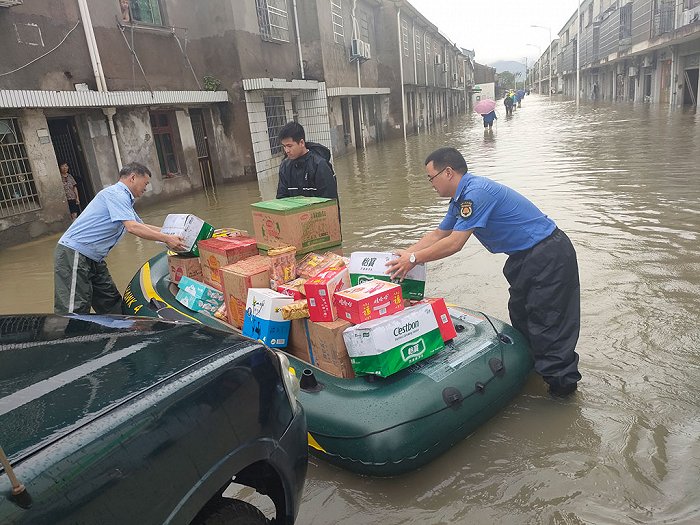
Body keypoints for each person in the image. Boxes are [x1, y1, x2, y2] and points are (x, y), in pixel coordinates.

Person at [386, 148, 581, 397]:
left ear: (448, 173)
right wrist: (401, 258)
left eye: (431, 178)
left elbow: (455, 243)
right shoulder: (460, 200)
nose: (431, 184)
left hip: (548, 254)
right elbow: (438, 235)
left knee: (548, 323)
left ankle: (562, 393)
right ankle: (534, 374)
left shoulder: (476, 193)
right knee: (522, 316)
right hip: (524, 258)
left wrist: (413, 259)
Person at [54, 162, 187, 315]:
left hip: (94, 258)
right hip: (75, 254)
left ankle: (121, 334)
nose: (146, 188)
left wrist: (172, 234)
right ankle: (73, 336)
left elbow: (142, 226)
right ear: (133, 177)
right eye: (145, 183)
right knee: (73, 309)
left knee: (110, 303)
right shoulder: (116, 194)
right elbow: (132, 227)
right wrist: (166, 239)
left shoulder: (124, 199)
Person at [276, 121, 338, 200]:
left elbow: (330, 202)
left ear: (301, 143)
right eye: (284, 146)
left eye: (289, 146)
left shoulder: (319, 165)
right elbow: (281, 198)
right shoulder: (285, 167)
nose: (286, 150)